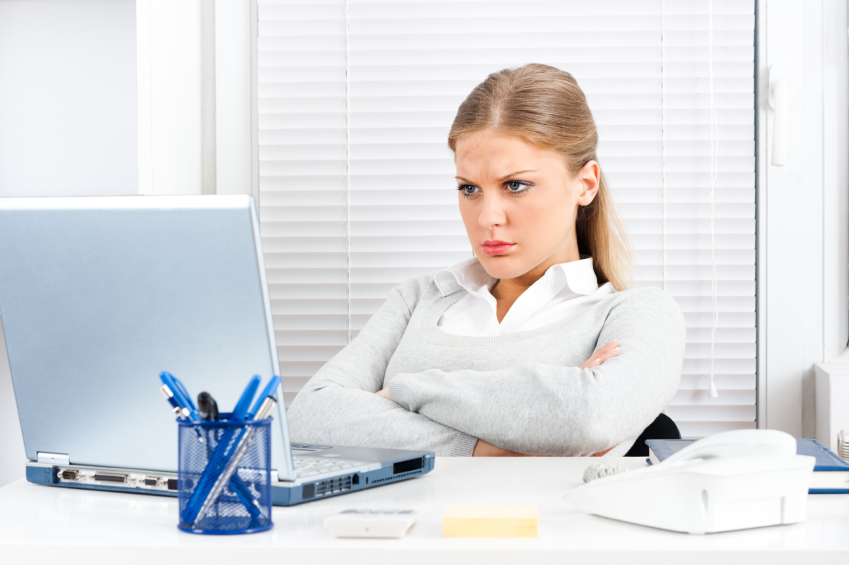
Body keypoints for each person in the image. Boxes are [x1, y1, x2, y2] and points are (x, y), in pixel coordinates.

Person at [287, 63, 685, 457]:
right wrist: (493, 445)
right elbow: (308, 417)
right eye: (470, 188)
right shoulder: (418, 300)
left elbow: (591, 417)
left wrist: (404, 391)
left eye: (516, 185)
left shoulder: (636, 314)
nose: (487, 217)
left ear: (585, 184)